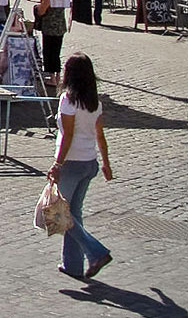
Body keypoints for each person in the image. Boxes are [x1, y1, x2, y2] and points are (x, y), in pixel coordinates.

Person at [51, 53, 115, 280]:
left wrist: (57, 164)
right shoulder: (94, 103)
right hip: (89, 162)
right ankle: (72, 265)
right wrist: (106, 163)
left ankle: (96, 251)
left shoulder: (68, 101)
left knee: (60, 213)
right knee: (73, 213)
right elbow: (100, 135)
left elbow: (67, 136)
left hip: (71, 163)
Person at [35, 0, 70, 91]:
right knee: (56, 51)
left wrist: (37, 7)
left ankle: (52, 77)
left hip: (50, 27)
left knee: (49, 52)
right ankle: (58, 75)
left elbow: (41, 11)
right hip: (60, 26)